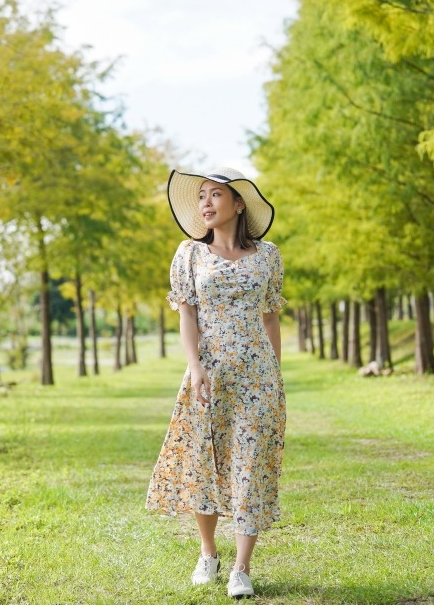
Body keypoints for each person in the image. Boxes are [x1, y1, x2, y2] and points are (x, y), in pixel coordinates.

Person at [146, 166, 287, 598]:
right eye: (201, 197)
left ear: (238, 204)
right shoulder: (189, 253)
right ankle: (208, 552)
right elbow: (186, 314)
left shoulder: (268, 255)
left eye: (215, 196)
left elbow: (270, 317)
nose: (205, 204)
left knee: (251, 466)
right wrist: (195, 365)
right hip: (208, 372)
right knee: (203, 462)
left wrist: (275, 377)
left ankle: (241, 569)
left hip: (256, 374)